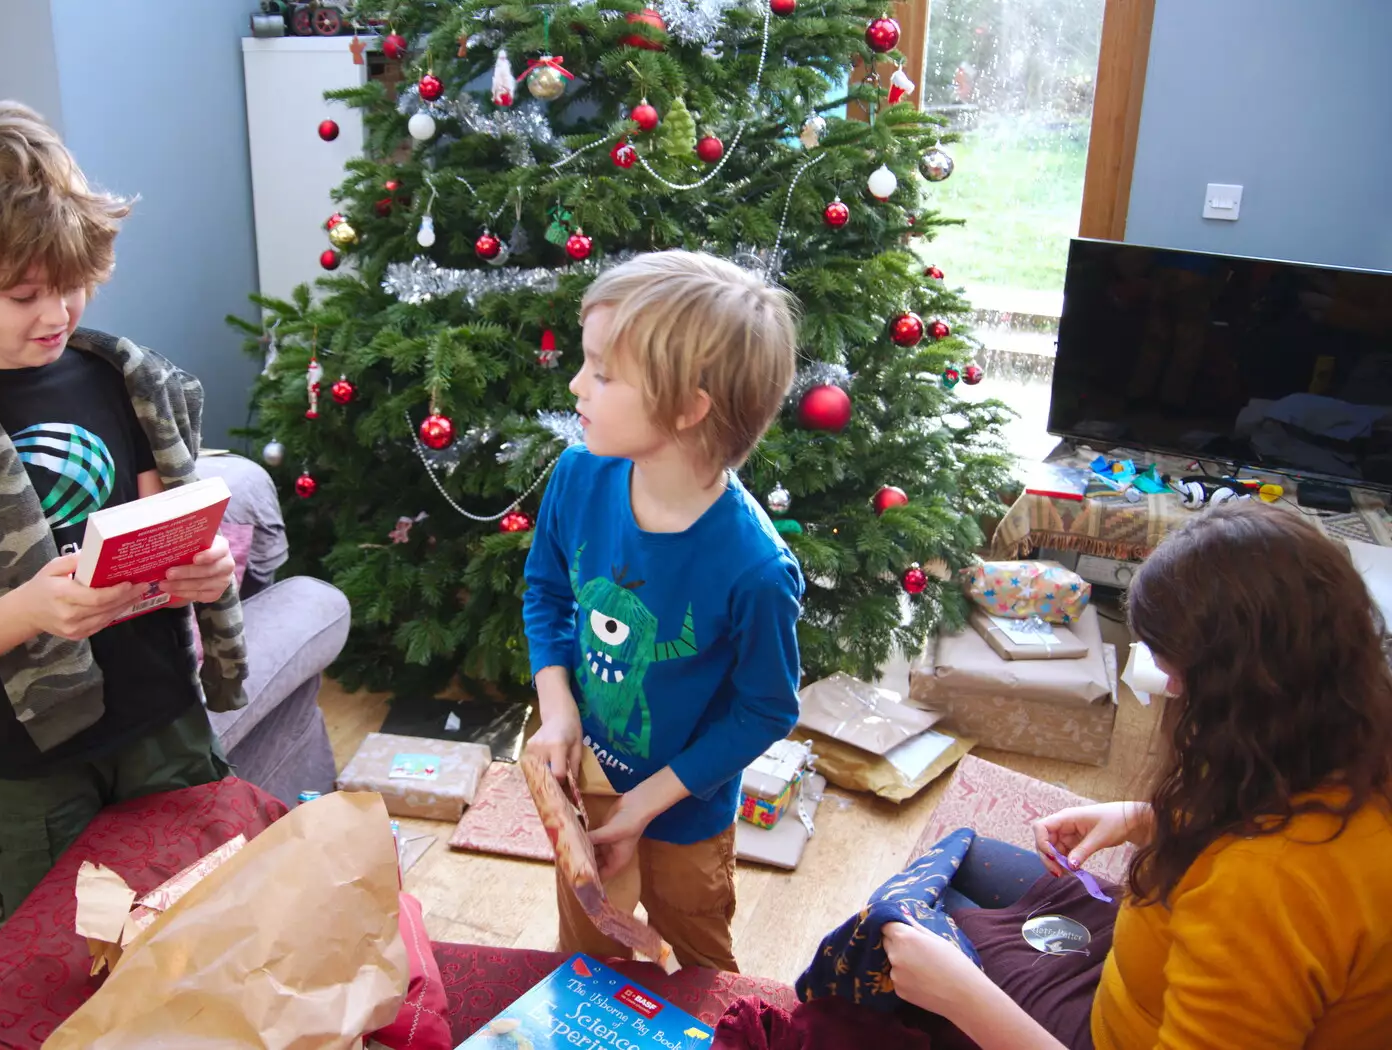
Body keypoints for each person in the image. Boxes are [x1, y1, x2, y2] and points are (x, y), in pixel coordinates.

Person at [0, 102, 247, 952]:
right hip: (26, 765)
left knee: (200, 939)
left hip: (160, 722)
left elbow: (169, 537)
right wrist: (30, 610)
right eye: (22, 295)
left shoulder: (117, 381)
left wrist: (206, 569)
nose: (57, 312)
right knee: (70, 975)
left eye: (72, 282)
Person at [881, 503, 1392, 1048]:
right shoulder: (1349, 746)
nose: (1171, 692)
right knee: (958, 862)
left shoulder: (1264, 891)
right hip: (1146, 973)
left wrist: (961, 996)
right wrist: (1147, 819)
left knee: (897, 935)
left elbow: (1270, 889)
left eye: (1178, 674)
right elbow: (1269, 831)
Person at [522, 250, 804, 972]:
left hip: (685, 813)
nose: (577, 384)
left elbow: (766, 710)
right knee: (588, 948)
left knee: (701, 956)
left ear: (687, 408)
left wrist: (647, 802)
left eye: (603, 373)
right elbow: (548, 592)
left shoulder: (756, 570)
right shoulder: (579, 473)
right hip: (587, 776)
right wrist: (558, 709)